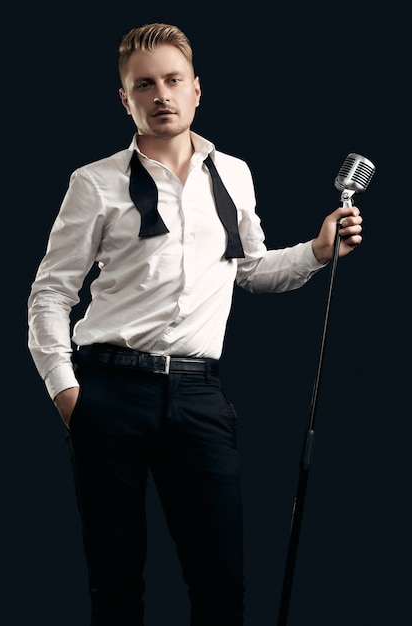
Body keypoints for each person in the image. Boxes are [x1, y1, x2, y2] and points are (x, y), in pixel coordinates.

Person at [27, 22, 363, 626]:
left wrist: (317, 250)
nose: (162, 95)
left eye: (173, 80)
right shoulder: (94, 183)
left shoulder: (233, 174)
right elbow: (50, 292)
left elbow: (250, 270)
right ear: (124, 99)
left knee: (220, 585)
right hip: (109, 393)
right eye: (145, 85)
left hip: (197, 394)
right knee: (117, 585)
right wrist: (66, 391)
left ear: (197, 89)